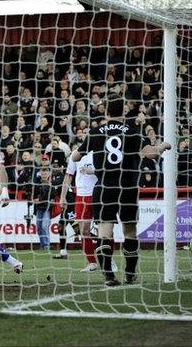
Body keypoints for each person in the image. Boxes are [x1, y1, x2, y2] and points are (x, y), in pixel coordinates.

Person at [71, 97, 171, 286]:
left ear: (107, 113)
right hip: (127, 187)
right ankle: (130, 274)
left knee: (104, 232)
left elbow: (76, 156)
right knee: (130, 232)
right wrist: (162, 146)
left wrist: (86, 146)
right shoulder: (133, 132)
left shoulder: (95, 132)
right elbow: (151, 153)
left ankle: (108, 275)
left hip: (104, 187)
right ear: (124, 113)